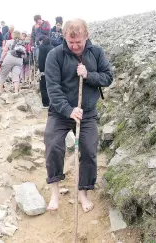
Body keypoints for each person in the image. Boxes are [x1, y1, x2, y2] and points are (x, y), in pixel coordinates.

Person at [44, 19, 113, 212]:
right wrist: (68, 110)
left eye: (79, 42)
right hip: (60, 112)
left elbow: (108, 77)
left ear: (86, 37)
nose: (74, 46)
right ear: (64, 37)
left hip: (87, 112)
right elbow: (53, 89)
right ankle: (55, 192)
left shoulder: (97, 53)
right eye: (70, 42)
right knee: (53, 145)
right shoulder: (54, 55)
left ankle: (83, 192)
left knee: (89, 150)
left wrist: (89, 75)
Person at [38, 35, 53, 108]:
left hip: (44, 70)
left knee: (43, 87)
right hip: (53, 70)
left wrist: (41, 70)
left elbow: (40, 60)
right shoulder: (53, 47)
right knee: (52, 86)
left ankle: (45, 103)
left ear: (41, 41)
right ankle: (52, 102)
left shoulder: (41, 47)